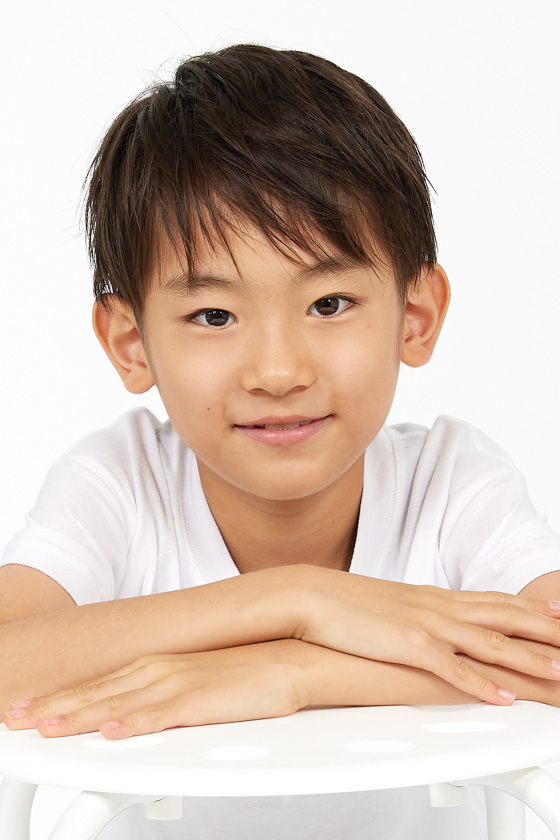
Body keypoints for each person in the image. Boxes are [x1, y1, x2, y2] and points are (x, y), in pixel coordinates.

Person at [1, 43, 559, 839]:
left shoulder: (447, 481)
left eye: (329, 304)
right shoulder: (122, 482)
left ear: (415, 316)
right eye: (213, 316)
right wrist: (297, 600)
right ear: (130, 342)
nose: (277, 371)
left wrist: (295, 670)